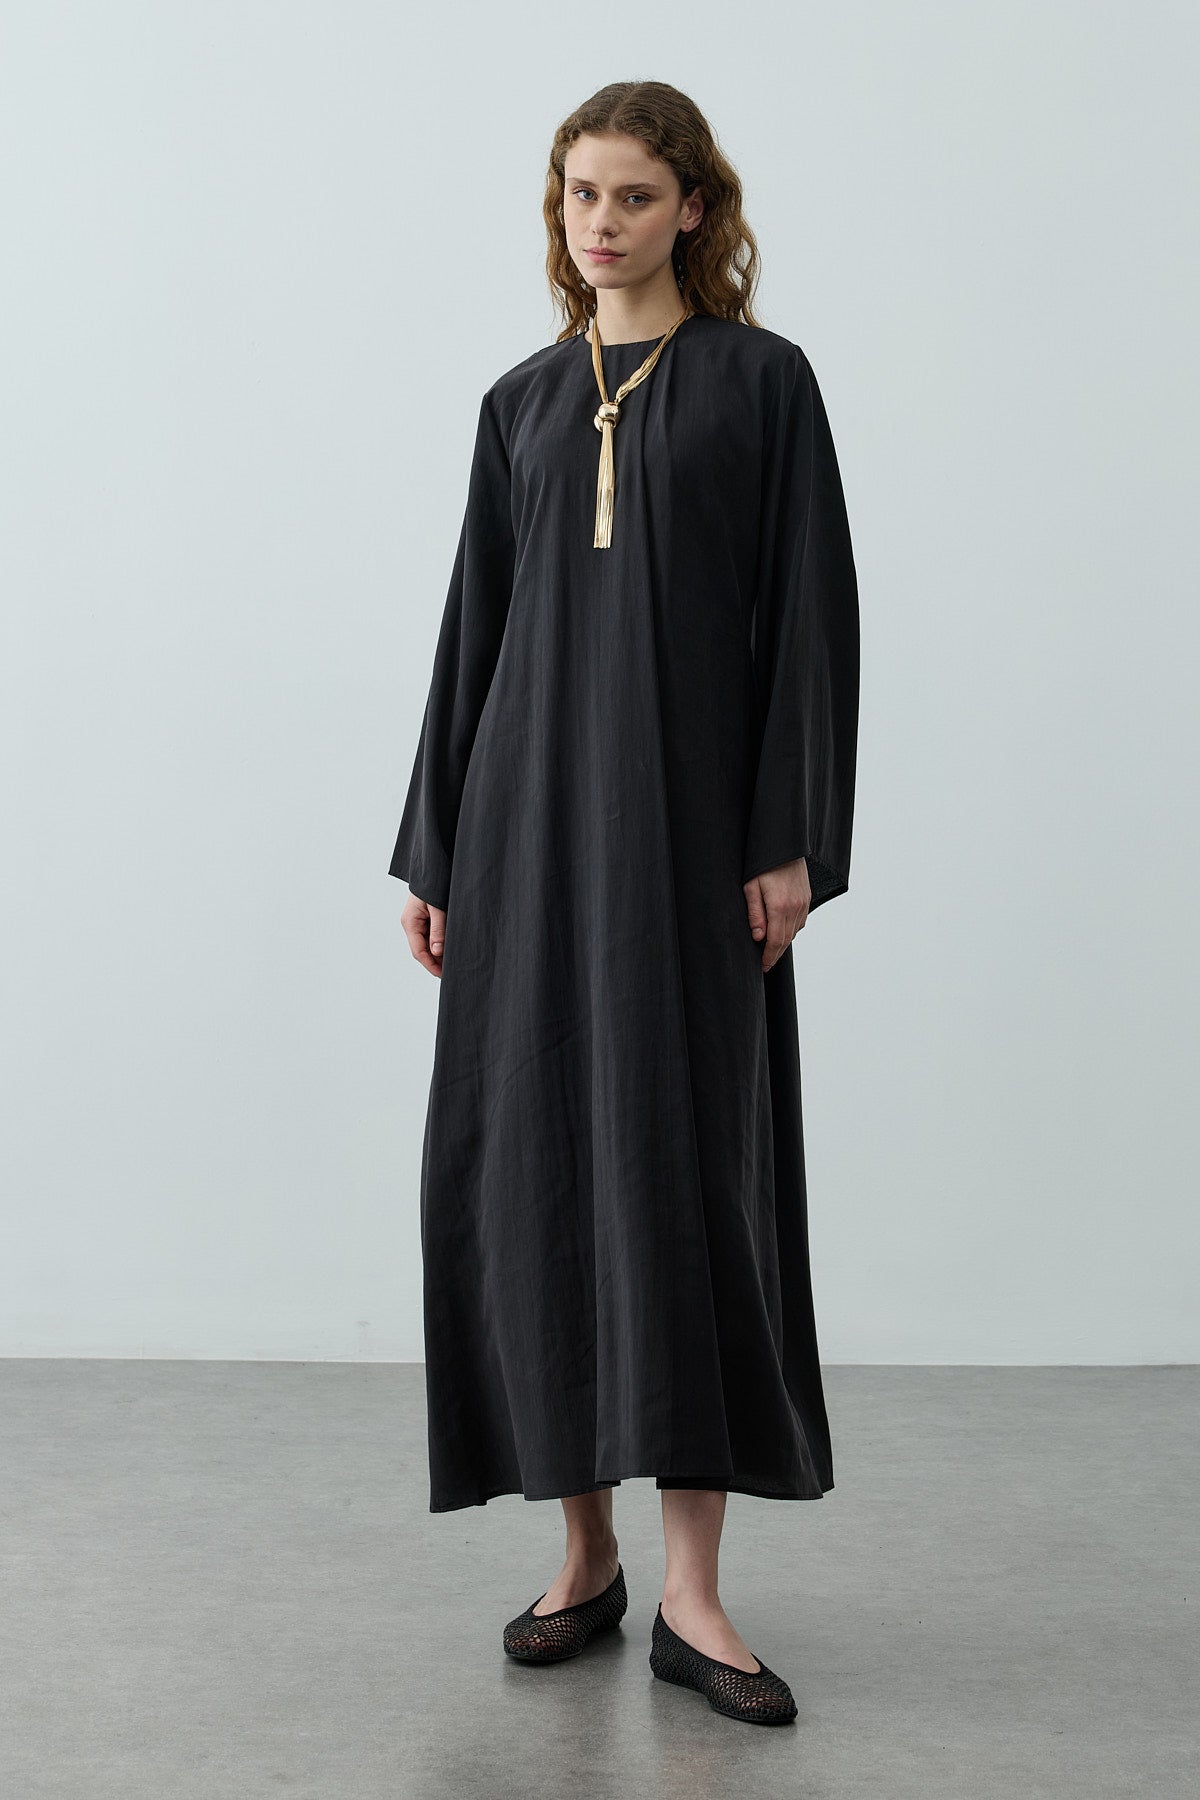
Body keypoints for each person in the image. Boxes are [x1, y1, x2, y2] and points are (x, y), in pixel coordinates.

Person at [387, 80, 860, 1727]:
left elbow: (810, 618)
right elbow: (474, 632)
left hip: (686, 841)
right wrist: (438, 852)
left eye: (638, 195)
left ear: (693, 210)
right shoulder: (520, 403)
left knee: (685, 1178)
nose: (605, 221)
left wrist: (789, 838)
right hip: (524, 845)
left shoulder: (762, 385)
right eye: (584, 193)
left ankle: (693, 1593)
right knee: (533, 1173)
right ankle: (581, 1556)